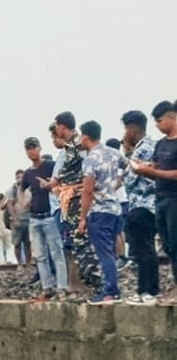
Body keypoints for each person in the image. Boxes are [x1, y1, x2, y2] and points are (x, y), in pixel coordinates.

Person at [44, 111, 102, 293]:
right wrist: (55, 184)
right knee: (74, 244)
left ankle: (91, 285)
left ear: (62, 127)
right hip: (69, 203)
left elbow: (90, 170)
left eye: (57, 127)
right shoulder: (71, 147)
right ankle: (80, 285)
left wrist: (80, 188)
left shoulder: (80, 144)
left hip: (78, 202)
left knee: (82, 244)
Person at [130, 100, 177, 304]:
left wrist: (151, 171)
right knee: (168, 245)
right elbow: (157, 166)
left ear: (172, 117)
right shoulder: (161, 144)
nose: (156, 125)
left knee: (176, 244)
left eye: (159, 121)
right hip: (161, 199)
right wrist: (144, 168)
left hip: (175, 199)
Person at [78, 121, 127, 304]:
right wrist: (116, 184)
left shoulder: (90, 159)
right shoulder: (113, 152)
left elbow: (88, 191)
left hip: (100, 211)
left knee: (104, 253)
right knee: (111, 252)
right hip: (115, 209)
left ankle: (110, 292)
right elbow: (129, 166)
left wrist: (83, 218)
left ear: (85, 137)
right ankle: (112, 289)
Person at [21, 137, 68, 301]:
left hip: (50, 216)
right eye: (28, 148)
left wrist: (52, 187)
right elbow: (22, 191)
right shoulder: (28, 174)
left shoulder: (50, 166)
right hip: (34, 219)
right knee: (40, 256)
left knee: (56, 253)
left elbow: (61, 181)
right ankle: (47, 288)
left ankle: (62, 287)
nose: (31, 151)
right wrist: (24, 204)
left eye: (33, 147)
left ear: (39, 148)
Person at [121, 110, 158, 305]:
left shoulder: (142, 149)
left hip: (142, 206)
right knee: (143, 249)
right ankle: (145, 290)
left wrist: (127, 153)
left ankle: (149, 290)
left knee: (144, 249)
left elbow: (129, 180)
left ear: (132, 129)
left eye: (126, 129)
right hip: (148, 206)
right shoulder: (150, 146)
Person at [106, 138, 131, 271]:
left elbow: (118, 181)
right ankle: (123, 255)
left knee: (115, 230)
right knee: (120, 230)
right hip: (123, 199)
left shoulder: (114, 161)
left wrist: (106, 191)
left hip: (117, 199)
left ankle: (121, 256)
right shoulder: (122, 160)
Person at [6, 170, 32, 267]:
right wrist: (15, 218)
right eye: (18, 177)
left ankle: (28, 263)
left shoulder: (29, 189)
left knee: (28, 243)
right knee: (17, 243)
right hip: (18, 219)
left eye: (22, 176)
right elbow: (9, 205)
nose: (20, 179)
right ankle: (20, 264)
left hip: (28, 218)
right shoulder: (11, 190)